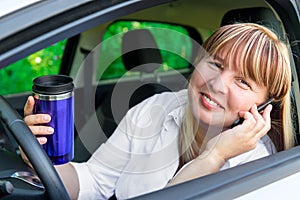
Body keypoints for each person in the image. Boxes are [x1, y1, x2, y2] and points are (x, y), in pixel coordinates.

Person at [23, 23, 294, 199]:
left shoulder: (259, 166)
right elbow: (94, 181)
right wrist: (38, 156)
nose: (217, 84)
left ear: (263, 108)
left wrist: (215, 155)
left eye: (243, 81)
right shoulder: (157, 108)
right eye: (216, 64)